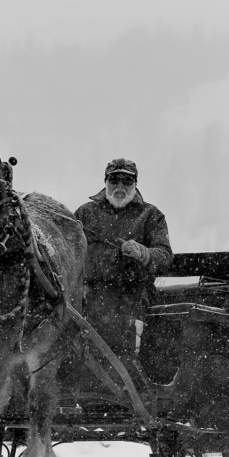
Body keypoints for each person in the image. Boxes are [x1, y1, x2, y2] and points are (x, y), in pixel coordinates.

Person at [74, 158, 173, 374]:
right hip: (90, 293)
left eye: (127, 181)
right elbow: (69, 251)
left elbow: (165, 257)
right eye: (114, 180)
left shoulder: (151, 215)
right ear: (105, 181)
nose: (120, 187)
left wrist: (143, 252)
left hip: (133, 295)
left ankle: (128, 390)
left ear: (135, 184)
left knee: (124, 358)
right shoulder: (84, 213)